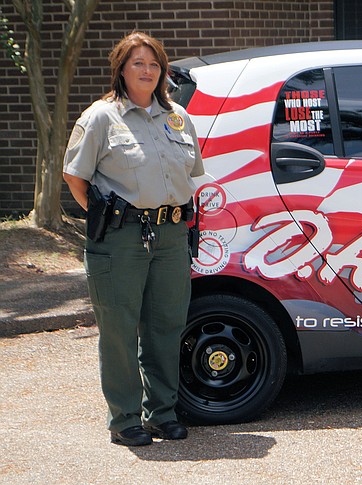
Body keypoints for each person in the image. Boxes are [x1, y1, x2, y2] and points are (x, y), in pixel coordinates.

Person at [63, 31, 204, 445]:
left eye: (154, 64)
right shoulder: (101, 117)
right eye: (138, 63)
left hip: (171, 234)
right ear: (121, 69)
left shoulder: (177, 115)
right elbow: (75, 177)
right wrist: (108, 217)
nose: (147, 70)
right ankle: (124, 420)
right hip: (121, 239)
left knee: (165, 325)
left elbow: (193, 171)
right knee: (120, 329)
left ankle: (161, 413)